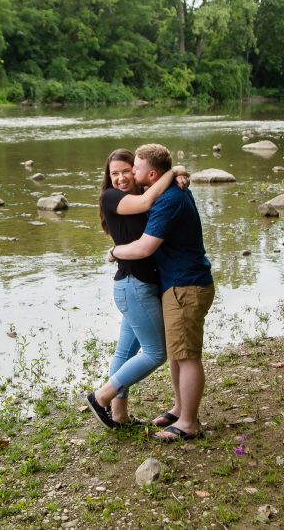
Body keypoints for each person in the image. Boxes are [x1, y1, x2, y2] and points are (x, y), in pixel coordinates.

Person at [109, 143, 214, 441]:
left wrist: (115, 251)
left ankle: (189, 423)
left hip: (186, 285)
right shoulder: (164, 191)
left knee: (188, 355)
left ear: (152, 174)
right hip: (178, 283)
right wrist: (177, 171)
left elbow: (145, 247)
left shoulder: (168, 199)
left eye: (135, 168)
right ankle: (181, 409)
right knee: (177, 354)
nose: (130, 173)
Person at [85, 149, 188, 429]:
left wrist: (176, 174)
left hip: (137, 287)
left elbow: (152, 193)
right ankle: (101, 396)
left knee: (125, 352)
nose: (119, 178)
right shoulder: (112, 197)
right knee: (157, 353)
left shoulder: (146, 188)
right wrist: (173, 170)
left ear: (137, 170)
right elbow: (145, 201)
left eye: (125, 171)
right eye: (113, 173)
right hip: (134, 287)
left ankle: (119, 416)